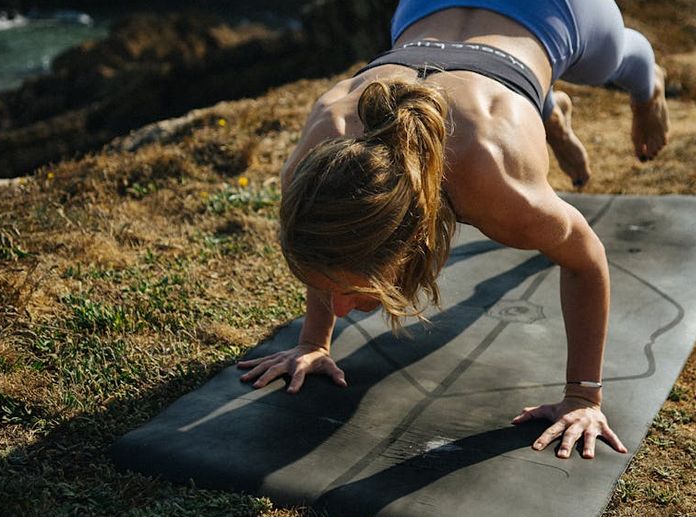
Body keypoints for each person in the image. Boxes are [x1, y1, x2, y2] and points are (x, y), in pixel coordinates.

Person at [238, 0, 670, 460]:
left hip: (557, 10)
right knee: (510, 93)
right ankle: (547, 111)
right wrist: (313, 341)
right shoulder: (314, 165)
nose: (342, 310)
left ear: (410, 236)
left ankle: (648, 89)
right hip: (429, 13)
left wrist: (584, 397)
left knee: (615, 60)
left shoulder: (494, 179)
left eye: (351, 290)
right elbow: (332, 247)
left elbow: (586, 260)